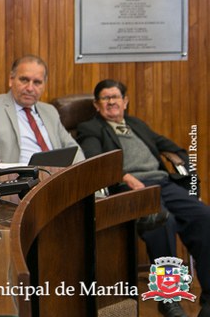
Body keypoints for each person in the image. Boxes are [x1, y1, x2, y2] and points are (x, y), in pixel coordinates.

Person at [77, 79, 210, 317]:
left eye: (115, 97)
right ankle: (168, 298)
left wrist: (185, 168)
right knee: (162, 222)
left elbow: (169, 146)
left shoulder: (136, 124)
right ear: (97, 105)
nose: (111, 102)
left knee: (204, 217)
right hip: (131, 187)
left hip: (164, 183)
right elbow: (95, 161)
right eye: (105, 98)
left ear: (125, 101)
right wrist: (125, 177)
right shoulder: (91, 128)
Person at [0, 55, 80, 163]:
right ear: (11, 80)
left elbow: (74, 149)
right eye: (24, 80)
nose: (30, 88)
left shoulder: (50, 111)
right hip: (16, 174)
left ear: (44, 85)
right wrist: (4, 168)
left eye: (37, 82)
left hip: (57, 174)